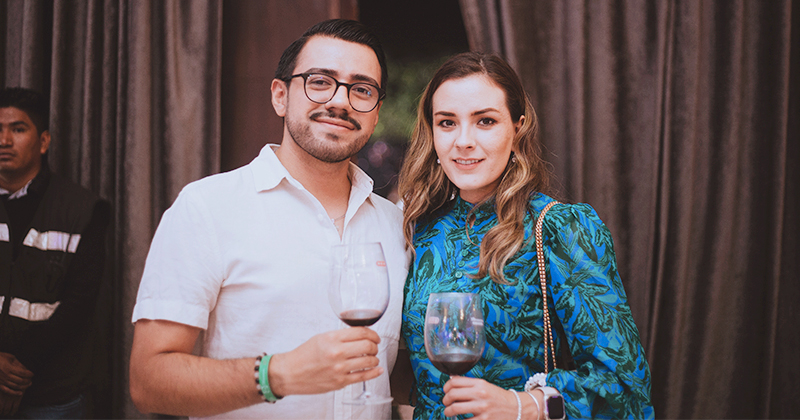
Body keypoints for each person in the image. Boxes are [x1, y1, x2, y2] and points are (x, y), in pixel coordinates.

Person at [129, 19, 409, 419]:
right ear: (280, 96)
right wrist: (279, 374)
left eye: (361, 90)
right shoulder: (207, 207)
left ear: (376, 112)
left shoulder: (396, 226)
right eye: (320, 82)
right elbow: (148, 381)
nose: (341, 101)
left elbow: (396, 372)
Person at [397, 52, 654, 420]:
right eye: (447, 122)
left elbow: (625, 388)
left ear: (517, 130)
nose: (463, 140)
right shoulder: (419, 229)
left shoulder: (560, 228)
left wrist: (521, 405)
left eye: (485, 121)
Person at [0, 87, 110, 419]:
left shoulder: (83, 209)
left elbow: (80, 304)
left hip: (54, 395)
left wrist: (18, 370)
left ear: (44, 141)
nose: (4, 140)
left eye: (18, 129)